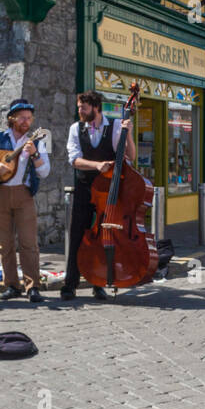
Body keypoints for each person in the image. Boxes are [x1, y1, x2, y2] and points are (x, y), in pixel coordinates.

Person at [0, 99, 50, 302]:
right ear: (12, 118)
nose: (26, 121)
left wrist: (35, 156)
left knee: (28, 243)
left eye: (29, 117)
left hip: (24, 195)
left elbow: (44, 172)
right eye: (22, 117)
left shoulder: (35, 142)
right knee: (4, 244)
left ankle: (33, 286)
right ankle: (11, 285)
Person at [62, 91, 126, 301]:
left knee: (103, 237)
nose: (80, 111)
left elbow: (128, 157)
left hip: (107, 190)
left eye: (84, 107)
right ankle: (70, 284)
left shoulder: (114, 126)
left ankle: (99, 283)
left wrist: (129, 135)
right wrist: (97, 165)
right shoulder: (75, 128)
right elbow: (74, 160)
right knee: (77, 234)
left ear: (96, 107)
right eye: (79, 107)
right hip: (84, 187)